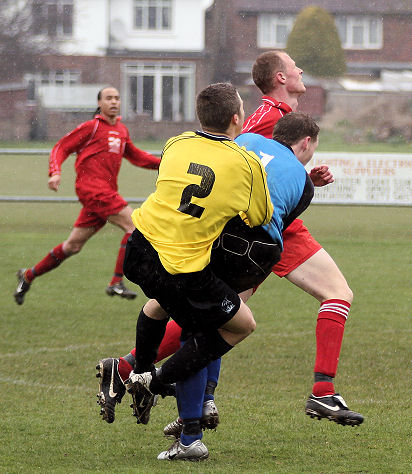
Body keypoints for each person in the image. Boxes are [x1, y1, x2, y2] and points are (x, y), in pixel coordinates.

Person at [95, 50, 363, 430]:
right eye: (294, 66)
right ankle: (318, 391)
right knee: (226, 316)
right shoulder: (266, 116)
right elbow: (237, 160)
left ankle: (144, 378)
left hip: (262, 227)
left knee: (211, 313)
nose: (301, 69)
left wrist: (303, 179)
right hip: (262, 232)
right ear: (280, 79)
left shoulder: (277, 117)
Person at [120, 82, 272, 460]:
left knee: (161, 306)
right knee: (235, 326)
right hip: (184, 268)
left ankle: (141, 368)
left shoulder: (176, 143)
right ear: (237, 119)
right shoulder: (246, 164)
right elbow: (259, 218)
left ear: (199, 115)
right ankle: (152, 382)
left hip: (139, 251)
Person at [157, 114, 320, 461]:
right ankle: (202, 400)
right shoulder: (304, 184)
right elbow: (280, 220)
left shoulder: (245, 140)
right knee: (217, 324)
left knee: (192, 328)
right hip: (258, 257)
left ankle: (189, 432)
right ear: (305, 143)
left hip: (221, 238)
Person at [13, 86, 160, 305]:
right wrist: (55, 172)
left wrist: (165, 164)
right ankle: (116, 282)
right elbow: (61, 148)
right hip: (93, 190)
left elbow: (137, 156)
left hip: (103, 194)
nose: (114, 102)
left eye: (117, 98)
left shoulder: (121, 130)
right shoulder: (91, 127)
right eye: (108, 98)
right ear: (99, 103)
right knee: (135, 227)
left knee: (72, 246)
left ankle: (28, 276)